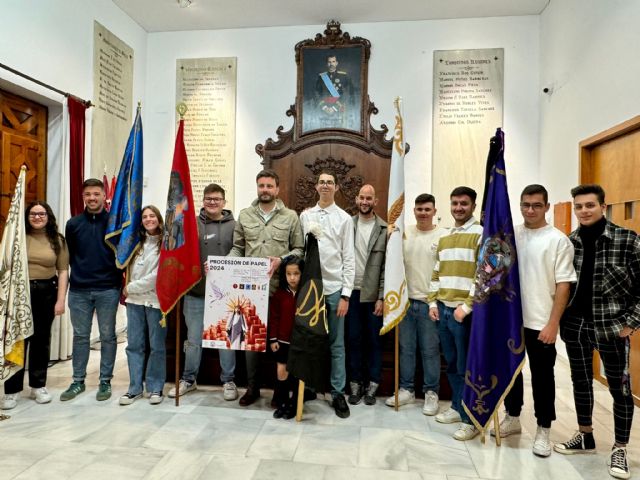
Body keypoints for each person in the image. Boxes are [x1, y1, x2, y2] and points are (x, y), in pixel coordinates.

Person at [554, 184, 638, 480]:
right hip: (575, 326)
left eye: (590, 205)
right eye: (579, 206)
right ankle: (585, 435)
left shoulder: (627, 240)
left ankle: (620, 447)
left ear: (603, 207)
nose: (583, 211)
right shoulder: (569, 242)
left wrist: (631, 323)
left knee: (620, 389)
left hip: (612, 328)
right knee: (580, 381)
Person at [490, 184, 576, 457]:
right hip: (512, 319)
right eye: (526, 204)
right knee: (512, 373)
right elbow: (496, 271)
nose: (530, 210)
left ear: (547, 207)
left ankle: (543, 428)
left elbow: (564, 285)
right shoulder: (511, 235)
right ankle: (513, 417)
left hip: (541, 322)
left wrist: (553, 324)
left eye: (536, 205)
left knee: (542, 377)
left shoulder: (558, 240)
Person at [229, 169, 304, 406]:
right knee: (251, 343)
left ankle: (280, 391)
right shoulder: (245, 215)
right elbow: (237, 249)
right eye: (261, 185)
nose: (265, 190)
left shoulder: (290, 217)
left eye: (269, 186)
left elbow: (300, 250)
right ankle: (253, 389)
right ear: (257, 187)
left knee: (281, 342)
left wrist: (281, 260)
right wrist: (220, 266)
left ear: (277, 189)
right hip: (251, 292)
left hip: (281, 292)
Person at [168, 184, 237, 400]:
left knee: (226, 339)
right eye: (208, 199)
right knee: (193, 339)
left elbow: (240, 252)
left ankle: (228, 381)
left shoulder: (235, 226)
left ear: (224, 202)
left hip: (224, 294)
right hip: (195, 292)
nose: (212, 202)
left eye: (217, 199)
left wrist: (222, 264)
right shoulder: (191, 224)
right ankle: (189, 379)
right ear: (203, 201)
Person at [0, 202, 69, 410]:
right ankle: (12, 391)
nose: (37, 217)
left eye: (42, 213)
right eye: (33, 214)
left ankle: (38, 386)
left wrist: (60, 300)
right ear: (27, 216)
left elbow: (63, 271)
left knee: (41, 340)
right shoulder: (17, 238)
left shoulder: (57, 240)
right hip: (19, 294)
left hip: (46, 293)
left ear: (48, 216)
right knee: (17, 340)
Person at [428, 186, 483, 441]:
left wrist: (467, 307)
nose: (458, 208)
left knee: (466, 368)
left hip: (464, 314)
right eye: (454, 203)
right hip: (443, 310)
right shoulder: (445, 236)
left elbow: (484, 276)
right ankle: (456, 406)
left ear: (473, 205)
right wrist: (432, 302)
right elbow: (437, 271)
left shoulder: (481, 234)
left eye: (464, 203)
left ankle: (469, 420)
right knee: (450, 364)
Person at [385, 193, 448, 415]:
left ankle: (431, 393)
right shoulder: (404, 234)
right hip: (405, 303)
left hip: (429, 303)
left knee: (430, 351)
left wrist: (435, 302)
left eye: (427, 209)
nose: (423, 213)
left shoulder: (443, 236)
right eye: (419, 209)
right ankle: (406, 390)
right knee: (406, 349)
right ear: (413, 211)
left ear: (434, 211)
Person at [61, 178, 122, 402]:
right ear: (83, 197)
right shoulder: (73, 224)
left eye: (96, 194)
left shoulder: (115, 223)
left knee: (107, 336)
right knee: (80, 336)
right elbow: (70, 257)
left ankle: (105, 381)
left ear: (104, 195)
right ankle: (77, 380)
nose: (92, 198)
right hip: (79, 290)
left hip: (108, 288)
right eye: (88, 194)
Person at [300, 171, 355, 418]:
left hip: (334, 289)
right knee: (310, 340)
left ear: (336, 187)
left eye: (330, 182)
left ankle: (337, 392)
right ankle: (310, 386)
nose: (325, 185)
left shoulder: (344, 219)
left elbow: (349, 258)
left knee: (336, 344)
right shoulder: (305, 216)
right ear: (316, 187)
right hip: (310, 290)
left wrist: (345, 295)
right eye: (322, 182)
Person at [119, 205, 166, 406]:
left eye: (152, 216)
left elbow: (158, 276)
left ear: (159, 218)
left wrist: (131, 287)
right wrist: (131, 289)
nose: (148, 219)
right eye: (145, 217)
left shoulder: (166, 244)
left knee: (156, 347)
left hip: (156, 302)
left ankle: (155, 388)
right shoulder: (135, 244)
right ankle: (135, 388)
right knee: (134, 346)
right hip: (135, 303)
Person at [346, 185, 387, 406]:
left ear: (375, 201)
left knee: (374, 341)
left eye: (369, 198)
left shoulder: (384, 229)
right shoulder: (347, 224)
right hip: (350, 292)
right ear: (356, 199)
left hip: (372, 296)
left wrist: (381, 296)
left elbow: (385, 268)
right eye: (361, 197)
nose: (364, 201)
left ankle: (372, 384)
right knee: (353, 339)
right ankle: (355, 383)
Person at [269, 257, 304, 419]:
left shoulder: (306, 294)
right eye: (289, 274)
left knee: (297, 374)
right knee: (281, 371)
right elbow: (274, 317)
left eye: (296, 273)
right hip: (281, 341)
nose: (292, 278)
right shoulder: (280, 294)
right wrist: (273, 339)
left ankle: (294, 404)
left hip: (299, 342)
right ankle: (282, 403)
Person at [313, 54, 354, 128]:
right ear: (327, 64)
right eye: (329, 62)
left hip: (338, 108)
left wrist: (334, 108)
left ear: (336, 63)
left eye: (333, 61)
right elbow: (316, 93)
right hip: (324, 109)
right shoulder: (321, 77)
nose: (331, 64)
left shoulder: (344, 76)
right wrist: (324, 107)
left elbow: (347, 93)